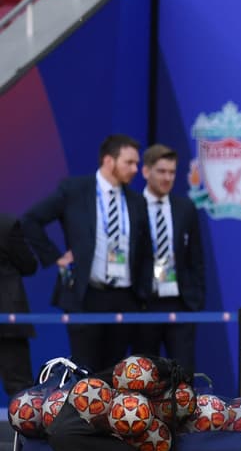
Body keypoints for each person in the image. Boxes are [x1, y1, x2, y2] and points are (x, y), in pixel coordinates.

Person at [23, 134, 153, 373]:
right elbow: (31, 220)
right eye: (129, 162)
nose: (135, 169)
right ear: (108, 160)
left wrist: (142, 293)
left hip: (125, 298)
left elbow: (145, 251)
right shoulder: (75, 190)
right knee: (85, 372)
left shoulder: (136, 201)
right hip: (86, 296)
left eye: (136, 163)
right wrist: (55, 257)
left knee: (117, 372)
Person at [134, 144, 205, 373]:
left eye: (172, 172)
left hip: (179, 302)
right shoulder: (132, 206)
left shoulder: (185, 208)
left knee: (184, 375)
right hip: (145, 303)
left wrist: (195, 300)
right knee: (144, 376)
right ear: (146, 172)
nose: (167, 178)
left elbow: (196, 257)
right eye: (161, 171)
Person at [0, 211, 38, 394]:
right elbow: (28, 265)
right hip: (7, 317)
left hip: (7, 320)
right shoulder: (6, 224)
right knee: (20, 389)